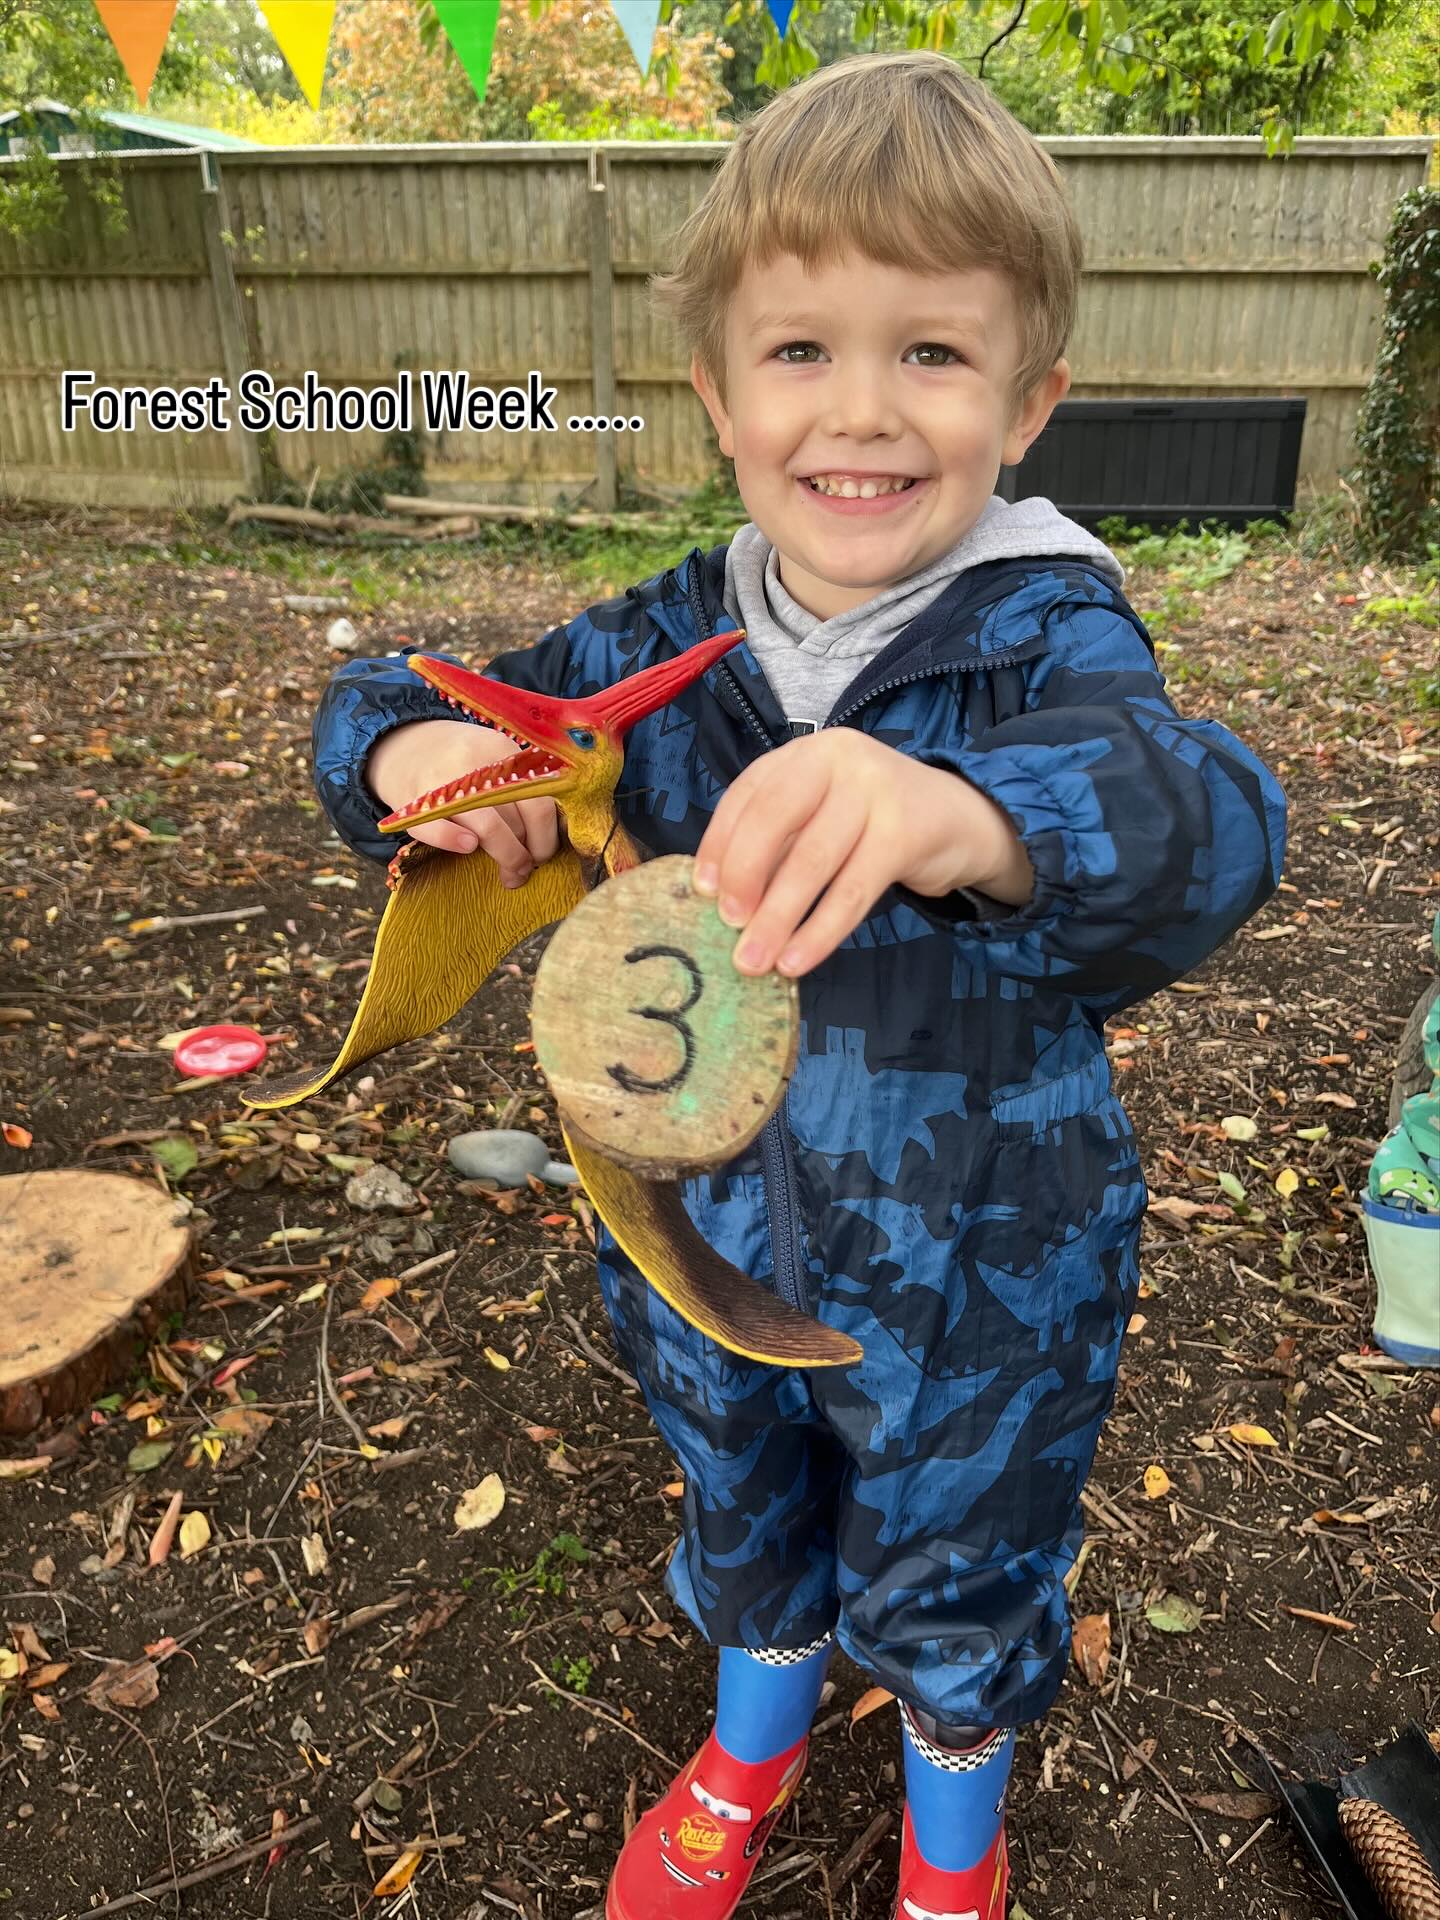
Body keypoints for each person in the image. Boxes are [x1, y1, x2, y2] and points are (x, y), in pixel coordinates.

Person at [310, 51, 1287, 1920]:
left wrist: (967, 811)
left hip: (981, 1275)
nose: (862, 412)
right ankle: (750, 1742)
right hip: (694, 1232)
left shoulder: (1049, 640)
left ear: (1030, 398)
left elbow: (1211, 819)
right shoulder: (669, 641)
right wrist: (411, 769)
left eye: (931, 353)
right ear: (717, 390)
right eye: (800, 352)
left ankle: (950, 1857)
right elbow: (402, 694)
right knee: (744, 1502)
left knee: (956, 1559)